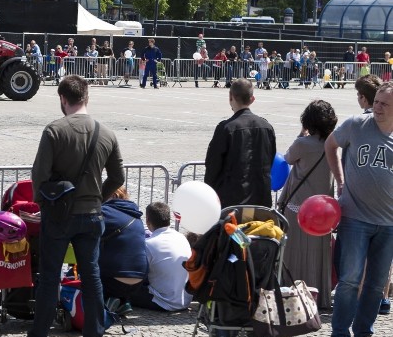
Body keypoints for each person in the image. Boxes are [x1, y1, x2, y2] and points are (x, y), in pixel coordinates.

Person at [13, 75, 125, 337]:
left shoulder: (54, 130)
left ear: (63, 99)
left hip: (60, 216)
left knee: (50, 276)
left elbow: (39, 175)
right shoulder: (107, 133)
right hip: (92, 214)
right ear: (87, 97)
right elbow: (118, 176)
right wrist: (99, 196)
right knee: (92, 275)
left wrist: (45, 203)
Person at [323, 83, 393, 337]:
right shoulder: (355, 125)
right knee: (350, 280)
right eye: (376, 102)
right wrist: (340, 180)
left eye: (384, 104)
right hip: (355, 218)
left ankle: (364, 336)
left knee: (376, 285)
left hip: (388, 224)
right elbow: (330, 145)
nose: (377, 107)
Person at [277, 100, 338, 310]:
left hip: (299, 207)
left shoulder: (303, 144)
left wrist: (301, 133)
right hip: (323, 210)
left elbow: (287, 158)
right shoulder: (331, 144)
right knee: (318, 253)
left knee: (294, 252)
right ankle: (318, 295)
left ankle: (292, 293)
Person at [204, 78, 277, 207]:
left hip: (231, 200)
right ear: (252, 99)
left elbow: (212, 165)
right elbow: (270, 159)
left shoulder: (226, 128)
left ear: (230, 97)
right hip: (261, 200)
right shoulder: (266, 127)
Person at [129, 202, 193, 312]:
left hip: (164, 302)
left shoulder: (149, 244)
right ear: (169, 219)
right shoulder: (181, 237)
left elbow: (137, 273)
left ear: (148, 221)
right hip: (186, 299)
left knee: (125, 286)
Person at [98, 186, 147, 316]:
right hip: (139, 279)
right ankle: (122, 301)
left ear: (113, 195)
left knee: (88, 268)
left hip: (114, 279)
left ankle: (105, 303)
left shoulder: (104, 212)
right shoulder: (136, 215)